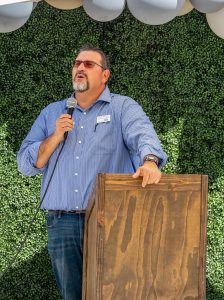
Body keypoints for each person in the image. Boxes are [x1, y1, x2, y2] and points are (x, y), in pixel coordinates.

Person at [17, 44, 167, 300]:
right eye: (77, 64)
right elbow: (26, 164)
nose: (80, 68)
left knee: (115, 293)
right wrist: (55, 136)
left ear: (105, 75)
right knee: (72, 295)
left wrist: (150, 161)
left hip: (111, 219)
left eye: (88, 64)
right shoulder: (53, 112)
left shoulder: (122, 108)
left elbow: (143, 135)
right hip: (62, 222)